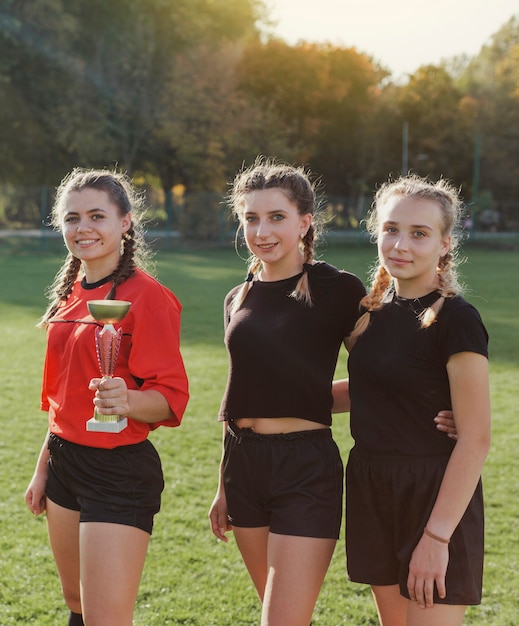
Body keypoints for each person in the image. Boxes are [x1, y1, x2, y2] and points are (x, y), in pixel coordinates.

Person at [24, 168, 189, 626]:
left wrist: (127, 402)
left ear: (126, 223)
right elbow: (62, 401)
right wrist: (44, 469)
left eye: (98, 215)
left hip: (117, 471)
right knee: (76, 603)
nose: (84, 228)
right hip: (64, 463)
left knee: (106, 618)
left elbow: (172, 397)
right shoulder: (69, 297)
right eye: (72, 218)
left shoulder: (149, 297)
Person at [208, 158, 368, 625]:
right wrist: (223, 487)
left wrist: (445, 408)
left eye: (276, 217)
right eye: (251, 218)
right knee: (280, 612)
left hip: (305, 470)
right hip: (244, 468)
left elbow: (382, 375)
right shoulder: (237, 298)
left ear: (305, 221)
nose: (262, 231)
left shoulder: (339, 289)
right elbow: (240, 391)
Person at [343, 174, 491, 626]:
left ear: (445, 244)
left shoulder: (457, 320)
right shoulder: (371, 313)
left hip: (433, 491)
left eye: (419, 233)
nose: (400, 244)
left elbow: (476, 438)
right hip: (372, 485)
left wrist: (437, 537)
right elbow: (379, 391)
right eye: (391, 229)